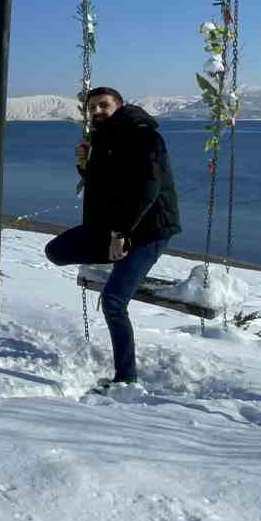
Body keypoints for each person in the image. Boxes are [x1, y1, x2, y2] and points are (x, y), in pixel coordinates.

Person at [44, 86, 181, 386]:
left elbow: (147, 189)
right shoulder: (105, 137)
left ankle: (126, 379)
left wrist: (120, 234)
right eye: (92, 107)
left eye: (103, 105)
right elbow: (109, 188)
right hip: (115, 228)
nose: (97, 111)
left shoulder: (142, 135)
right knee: (56, 251)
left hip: (149, 230)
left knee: (114, 302)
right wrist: (84, 168)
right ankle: (119, 257)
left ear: (119, 105)